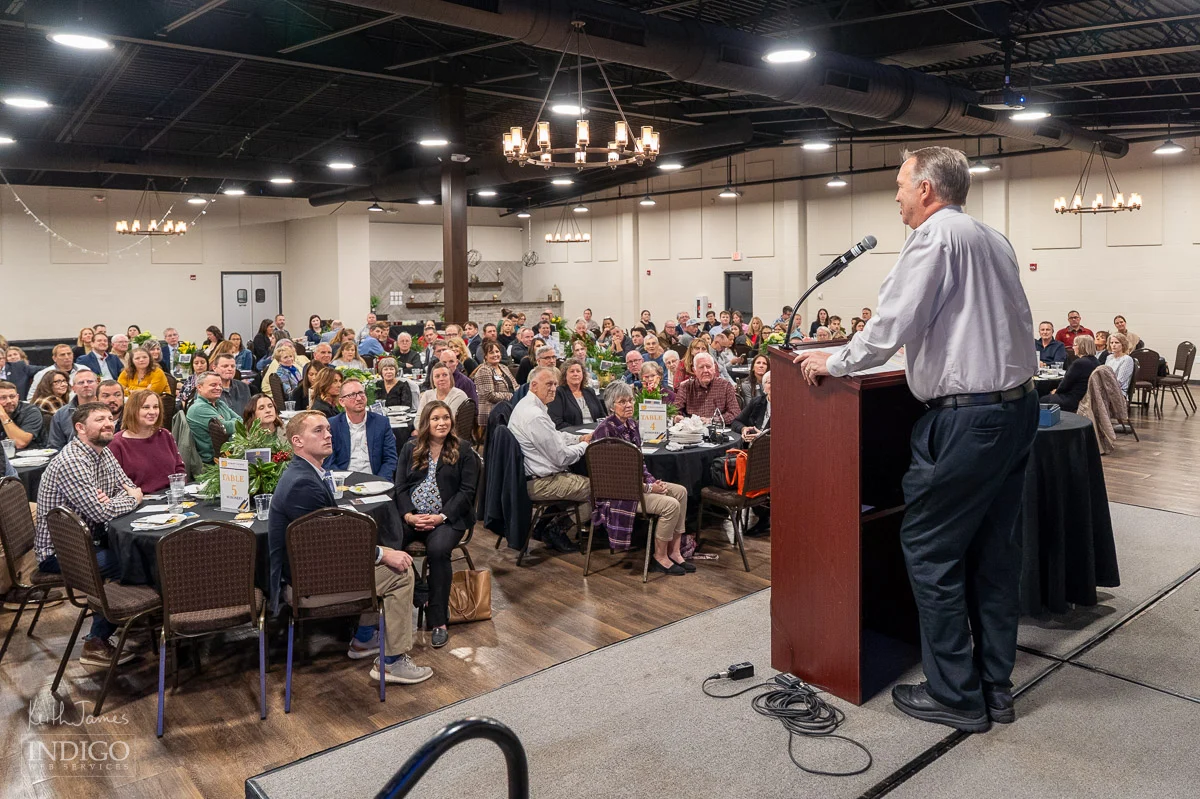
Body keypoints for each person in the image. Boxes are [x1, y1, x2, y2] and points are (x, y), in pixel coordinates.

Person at [792, 146, 1039, 734]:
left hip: (966, 422)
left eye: (901, 185)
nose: (897, 195)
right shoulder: (992, 238)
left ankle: (955, 695)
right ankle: (994, 687)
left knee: (929, 549)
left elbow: (890, 325)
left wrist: (837, 360)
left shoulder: (932, 239)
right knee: (993, 555)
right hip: (1016, 410)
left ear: (927, 190)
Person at [268, 411, 432, 685]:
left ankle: (365, 638)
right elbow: (329, 545)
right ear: (297, 441)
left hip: (313, 570)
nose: (328, 434)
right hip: (309, 583)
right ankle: (391, 662)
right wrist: (382, 553)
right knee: (401, 573)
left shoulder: (305, 473)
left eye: (328, 429)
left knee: (382, 560)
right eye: (318, 431)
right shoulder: (302, 483)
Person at [34, 402, 144, 669]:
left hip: (91, 541)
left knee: (134, 553)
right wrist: (128, 499)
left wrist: (119, 498)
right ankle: (96, 641)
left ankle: (134, 617)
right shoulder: (73, 460)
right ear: (80, 428)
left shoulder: (102, 452)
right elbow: (101, 511)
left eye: (110, 418)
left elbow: (128, 486)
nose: (109, 423)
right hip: (60, 553)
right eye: (100, 419)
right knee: (131, 562)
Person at [396, 400, 478, 649]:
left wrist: (441, 517)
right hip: (413, 516)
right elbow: (399, 487)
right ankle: (418, 594)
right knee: (389, 541)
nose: (441, 423)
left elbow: (467, 491)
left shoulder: (463, 449)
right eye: (435, 419)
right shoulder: (410, 448)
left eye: (445, 418)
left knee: (438, 551)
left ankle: (439, 620)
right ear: (426, 423)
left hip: (448, 519)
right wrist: (409, 516)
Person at [510, 366, 592, 553]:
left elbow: (553, 436)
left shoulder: (528, 406)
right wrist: (586, 446)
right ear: (534, 385)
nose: (553, 388)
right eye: (548, 384)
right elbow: (561, 458)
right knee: (600, 491)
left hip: (532, 477)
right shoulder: (535, 416)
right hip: (541, 483)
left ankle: (541, 526)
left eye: (555, 383)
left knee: (575, 477)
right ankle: (556, 530)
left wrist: (578, 439)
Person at [108, 390, 185, 493]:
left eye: (156, 407)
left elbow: (179, 468)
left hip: (171, 496)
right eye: (146, 407)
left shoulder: (165, 435)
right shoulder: (117, 443)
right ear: (133, 410)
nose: (152, 412)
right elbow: (114, 484)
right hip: (138, 502)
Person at [324, 379, 398, 479]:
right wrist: (343, 481)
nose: (359, 398)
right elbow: (328, 461)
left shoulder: (381, 422)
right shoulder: (332, 425)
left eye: (361, 393)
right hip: (344, 480)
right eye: (352, 395)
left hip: (376, 479)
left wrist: (380, 481)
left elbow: (390, 459)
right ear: (342, 402)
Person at [185, 372, 240, 463]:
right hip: (212, 463)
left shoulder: (220, 403)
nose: (218, 388)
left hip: (230, 456)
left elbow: (241, 421)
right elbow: (226, 428)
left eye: (220, 385)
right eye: (213, 385)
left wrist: (231, 422)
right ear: (199, 387)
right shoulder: (198, 408)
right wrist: (232, 421)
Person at [674, 352, 738, 424]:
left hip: (718, 430)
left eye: (708, 366)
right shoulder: (685, 387)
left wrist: (712, 420)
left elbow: (735, 413)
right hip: (692, 430)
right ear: (694, 370)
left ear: (714, 368)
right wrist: (676, 417)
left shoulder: (725, 386)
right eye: (701, 367)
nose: (705, 371)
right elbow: (675, 410)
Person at [1043, 335, 1099, 413]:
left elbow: (1065, 384)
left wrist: (1056, 392)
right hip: (1086, 397)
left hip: (1074, 399)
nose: (1073, 348)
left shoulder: (1079, 363)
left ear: (1081, 347)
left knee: (1042, 399)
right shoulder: (1095, 361)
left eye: (1075, 345)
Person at [548, 358, 606, 429]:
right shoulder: (559, 393)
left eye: (578, 371)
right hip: (572, 435)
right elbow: (557, 422)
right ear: (565, 375)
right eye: (572, 371)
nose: (575, 374)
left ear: (583, 374)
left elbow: (602, 416)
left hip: (594, 431)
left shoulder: (590, 391)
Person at [48, 370, 99, 449]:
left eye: (90, 381)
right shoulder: (61, 415)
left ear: (97, 384)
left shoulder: (109, 409)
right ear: (73, 388)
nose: (86, 385)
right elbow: (55, 447)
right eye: (81, 383)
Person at [473, 341, 518, 427]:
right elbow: (490, 395)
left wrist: (518, 394)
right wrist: (509, 396)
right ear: (485, 356)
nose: (495, 355)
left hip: (509, 408)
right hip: (492, 412)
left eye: (497, 351)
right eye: (491, 352)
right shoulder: (484, 370)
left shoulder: (504, 367)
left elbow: (515, 385)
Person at [0, 380, 44, 450]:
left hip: (27, 456)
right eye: (3, 398)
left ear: (17, 397)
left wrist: (3, 415)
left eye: (12, 397)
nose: (9, 401)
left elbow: (20, 443)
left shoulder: (31, 411)